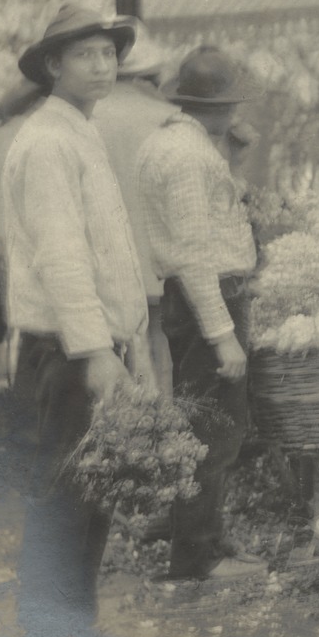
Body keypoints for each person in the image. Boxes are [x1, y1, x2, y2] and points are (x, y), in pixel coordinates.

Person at [1, 4, 154, 637]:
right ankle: (43, 630)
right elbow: (61, 256)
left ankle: (76, 622)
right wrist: (95, 350)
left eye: (108, 53)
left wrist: (134, 343)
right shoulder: (45, 141)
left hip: (95, 344)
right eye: (86, 54)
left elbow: (111, 254)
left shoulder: (81, 132)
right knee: (68, 487)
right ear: (53, 65)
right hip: (64, 348)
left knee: (97, 487)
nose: (102, 65)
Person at [137, 46, 267, 582]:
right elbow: (193, 253)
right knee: (215, 429)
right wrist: (223, 336)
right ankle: (197, 556)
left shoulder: (175, 141)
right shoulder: (188, 156)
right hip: (206, 298)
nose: (236, 114)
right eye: (232, 104)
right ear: (216, 106)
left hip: (192, 298)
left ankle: (195, 532)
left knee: (204, 422)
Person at [92, 27, 180, 397]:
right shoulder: (171, 116)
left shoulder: (84, 117)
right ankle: (163, 426)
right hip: (159, 252)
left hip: (104, 252)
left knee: (105, 345)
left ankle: (116, 433)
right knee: (157, 338)